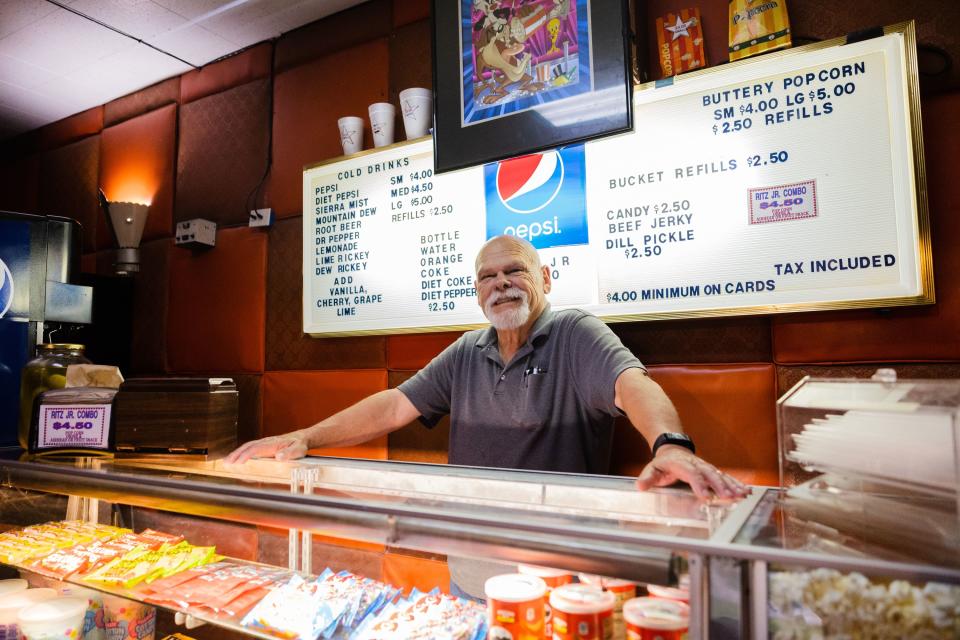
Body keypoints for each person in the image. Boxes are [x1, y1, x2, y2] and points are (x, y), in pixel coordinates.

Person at [225, 234, 748, 501]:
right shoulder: (466, 351)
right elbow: (393, 406)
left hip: (558, 567)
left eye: (514, 271)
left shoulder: (575, 333)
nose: (500, 284)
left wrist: (670, 445)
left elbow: (634, 387)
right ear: (476, 292)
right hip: (473, 560)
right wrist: (306, 437)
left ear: (544, 276)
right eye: (487, 277)